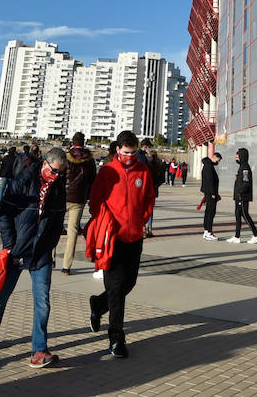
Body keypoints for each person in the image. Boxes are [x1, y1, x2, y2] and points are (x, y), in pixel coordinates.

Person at [0, 146, 68, 367]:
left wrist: (51, 242)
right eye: (54, 171)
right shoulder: (23, 180)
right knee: (2, 296)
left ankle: (39, 350)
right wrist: (10, 245)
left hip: (41, 253)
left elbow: (58, 219)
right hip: (17, 249)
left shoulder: (58, 187)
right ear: (45, 164)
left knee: (43, 302)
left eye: (61, 172)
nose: (57, 176)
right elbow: (3, 214)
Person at [87, 130, 156, 360]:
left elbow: (149, 197)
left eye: (133, 152)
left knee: (130, 282)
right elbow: (95, 200)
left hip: (134, 236)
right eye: (126, 152)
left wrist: (143, 218)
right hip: (112, 239)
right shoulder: (107, 171)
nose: (130, 156)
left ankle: (98, 304)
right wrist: (104, 222)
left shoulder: (143, 170)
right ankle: (116, 338)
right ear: (117, 149)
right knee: (116, 288)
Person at [60, 132, 97, 274]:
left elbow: (60, 175)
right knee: (73, 230)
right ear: (84, 142)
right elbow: (93, 180)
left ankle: (51, 258)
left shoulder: (66, 157)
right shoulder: (89, 160)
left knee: (56, 227)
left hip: (63, 197)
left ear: (72, 142)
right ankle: (66, 266)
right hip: (79, 198)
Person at [227, 147, 257, 243]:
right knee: (237, 215)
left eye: (238, 155)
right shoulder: (241, 166)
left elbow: (245, 182)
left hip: (243, 196)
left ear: (242, 156)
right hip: (238, 196)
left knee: (245, 215)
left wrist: (240, 192)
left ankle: (256, 235)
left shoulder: (245, 167)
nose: (236, 157)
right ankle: (237, 237)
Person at [199, 150, 222, 241]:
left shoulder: (208, 165)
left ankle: (206, 232)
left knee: (208, 212)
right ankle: (208, 232)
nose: (218, 162)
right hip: (210, 193)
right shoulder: (209, 166)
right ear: (214, 157)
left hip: (208, 192)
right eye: (218, 160)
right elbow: (210, 181)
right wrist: (213, 193)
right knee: (210, 212)